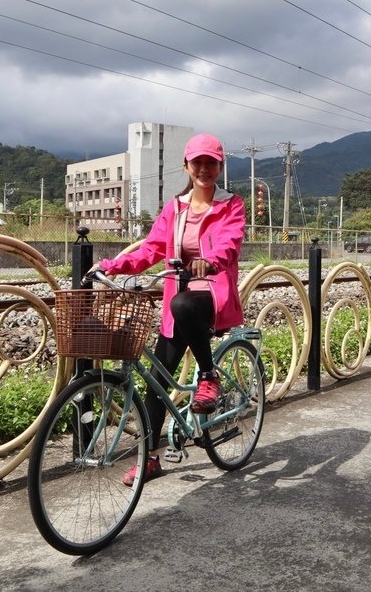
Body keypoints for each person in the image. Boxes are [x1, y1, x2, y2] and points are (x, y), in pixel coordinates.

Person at [96, 133, 246, 486]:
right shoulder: (175, 208)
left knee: (183, 304)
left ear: (220, 166)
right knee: (158, 380)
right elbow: (151, 249)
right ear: (187, 166)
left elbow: (230, 243)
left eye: (211, 163)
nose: (204, 169)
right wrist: (110, 265)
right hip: (177, 300)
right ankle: (149, 458)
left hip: (211, 292)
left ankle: (209, 375)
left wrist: (209, 262)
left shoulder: (231, 204)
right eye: (198, 163)